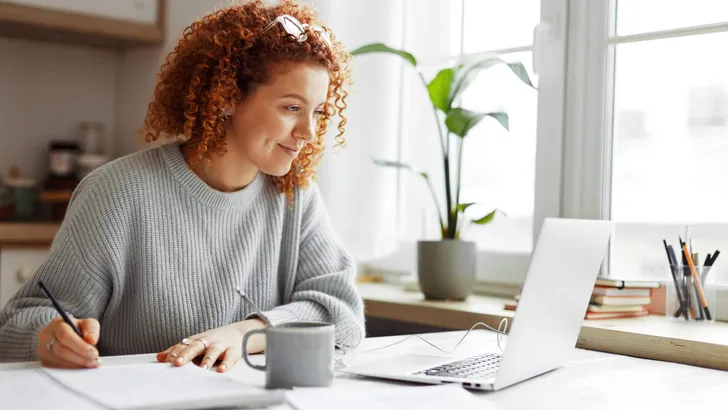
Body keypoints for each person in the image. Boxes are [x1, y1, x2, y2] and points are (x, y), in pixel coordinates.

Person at [0, 0, 365, 372]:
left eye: (318, 112)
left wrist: (246, 333)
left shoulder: (296, 196)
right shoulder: (116, 193)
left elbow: (341, 314)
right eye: (291, 108)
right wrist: (51, 337)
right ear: (226, 98)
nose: (308, 132)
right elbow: (20, 323)